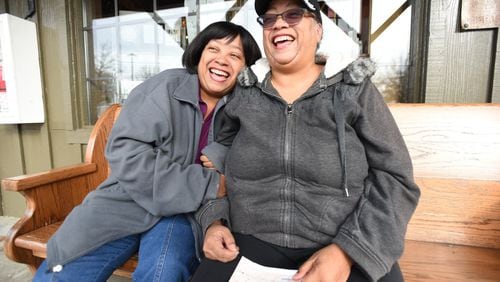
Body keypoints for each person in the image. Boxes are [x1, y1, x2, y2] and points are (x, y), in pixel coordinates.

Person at [191, 0, 420, 281]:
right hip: (248, 241)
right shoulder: (244, 93)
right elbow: (215, 165)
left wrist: (348, 251)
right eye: (270, 19)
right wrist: (214, 221)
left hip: (342, 241)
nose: (280, 24)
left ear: (318, 30)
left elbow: (395, 177)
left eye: (294, 14)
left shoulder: (353, 91)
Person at [33, 21, 261, 282]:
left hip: (183, 213)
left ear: (245, 68)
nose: (222, 60)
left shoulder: (242, 108)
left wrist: (224, 158)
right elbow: (126, 154)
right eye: (214, 49)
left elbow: (252, 164)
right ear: (199, 54)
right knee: (65, 268)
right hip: (128, 201)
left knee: (165, 272)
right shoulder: (164, 88)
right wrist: (207, 181)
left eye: (234, 55)